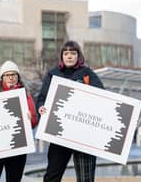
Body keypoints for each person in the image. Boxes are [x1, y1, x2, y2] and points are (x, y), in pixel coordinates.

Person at [36, 40, 104, 182]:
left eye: (73, 53)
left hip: (83, 135)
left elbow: (102, 96)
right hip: (59, 134)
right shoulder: (53, 74)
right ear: (62, 56)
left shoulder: (87, 74)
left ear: (78, 56)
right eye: (66, 53)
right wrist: (41, 108)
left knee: (86, 178)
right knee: (52, 176)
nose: (69, 56)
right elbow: (42, 99)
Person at [0, 60, 38, 182]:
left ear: (18, 76)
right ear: (2, 77)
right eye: (8, 75)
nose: (11, 78)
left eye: (14, 74)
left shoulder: (25, 95)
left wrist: (30, 119)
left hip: (17, 147)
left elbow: (34, 121)